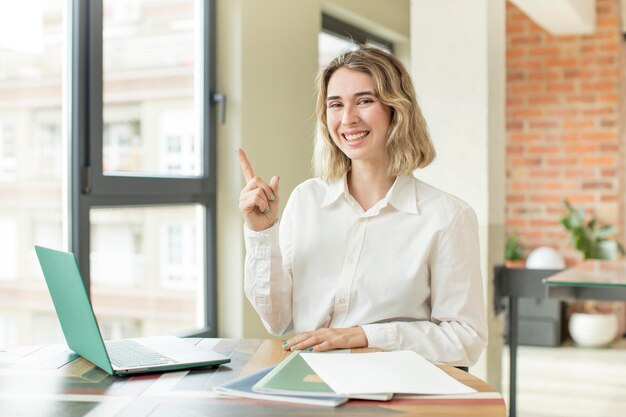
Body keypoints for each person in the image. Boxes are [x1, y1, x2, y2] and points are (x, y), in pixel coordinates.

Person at [237, 46, 487, 367]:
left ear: (397, 109)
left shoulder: (447, 216)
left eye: (365, 101)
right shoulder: (306, 200)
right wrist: (261, 233)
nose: (347, 118)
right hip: (312, 375)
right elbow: (278, 320)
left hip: (397, 384)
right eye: (335, 104)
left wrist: (365, 336)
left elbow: (465, 338)